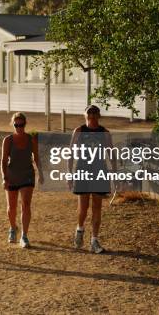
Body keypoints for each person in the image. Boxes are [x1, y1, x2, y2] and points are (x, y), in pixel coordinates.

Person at [67, 105, 115, 253]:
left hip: (99, 170)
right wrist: (70, 174)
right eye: (89, 113)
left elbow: (111, 153)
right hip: (82, 169)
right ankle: (79, 230)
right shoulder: (79, 131)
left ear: (99, 115)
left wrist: (115, 173)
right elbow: (70, 154)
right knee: (83, 206)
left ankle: (94, 240)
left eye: (95, 113)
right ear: (85, 115)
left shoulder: (105, 132)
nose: (92, 116)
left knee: (97, 207)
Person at [1, 112, 44, 248]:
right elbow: (3, 160)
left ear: (25, 124)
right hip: (12, 175)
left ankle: (24, 236)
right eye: (16, 125)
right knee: (11, 207)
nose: (19, 127)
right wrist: (4, 177)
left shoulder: (31, 139)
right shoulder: (8, 140)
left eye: (21, 125)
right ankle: (13, 228)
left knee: (26, 205)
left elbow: (36, 157)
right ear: (13, 125)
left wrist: (41, 174)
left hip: (27, 175)